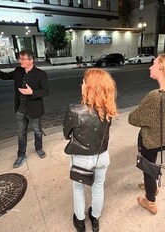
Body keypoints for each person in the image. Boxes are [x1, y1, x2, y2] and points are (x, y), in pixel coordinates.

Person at [128, 54, 165, 215]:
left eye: (153, 63)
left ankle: (151, 201)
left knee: (147, 168)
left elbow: (133, 119)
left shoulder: (156, 96)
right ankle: (152, 187)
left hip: (151, 140)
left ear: (162, 67)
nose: (150, 66)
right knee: (152, 164)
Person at [63, 68, 117, 232]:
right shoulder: (109, 109)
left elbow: (66, 134)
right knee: (98, 187)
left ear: (89, 87)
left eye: (84, 81)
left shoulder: (75, 110)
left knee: (78, 188)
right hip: (102, 157)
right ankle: (95, 219)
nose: (82, 84)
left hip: (81, 158)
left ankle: (80, 221)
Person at [0, 49, 50, 168]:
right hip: (20, 109)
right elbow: (3, 76)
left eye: (23, 59)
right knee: (21, 134)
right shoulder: (18, 71)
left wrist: (32, 92)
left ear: (31, 60)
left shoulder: (41, 74)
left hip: (34, 109)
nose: (20, 61)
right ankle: (21, 155)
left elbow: (46, 91)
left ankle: (38, 148)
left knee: (37, 131)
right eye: (19, 58)